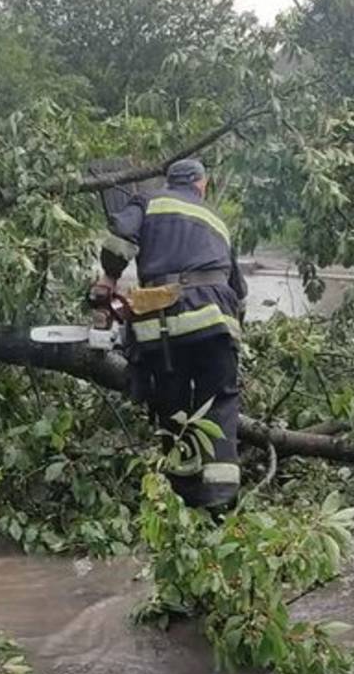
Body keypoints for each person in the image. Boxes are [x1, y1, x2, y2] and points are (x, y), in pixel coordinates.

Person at [94, 159, 245, 509]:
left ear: (169, 181)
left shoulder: (149, 201)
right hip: (216, 323)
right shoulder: (218, 220)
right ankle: (221, 505)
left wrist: (108, 280)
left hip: (162, 330)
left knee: (171, 408)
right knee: (220, 402)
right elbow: (239, 290)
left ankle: (181, 502)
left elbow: (118, 244)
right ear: (201, 184)